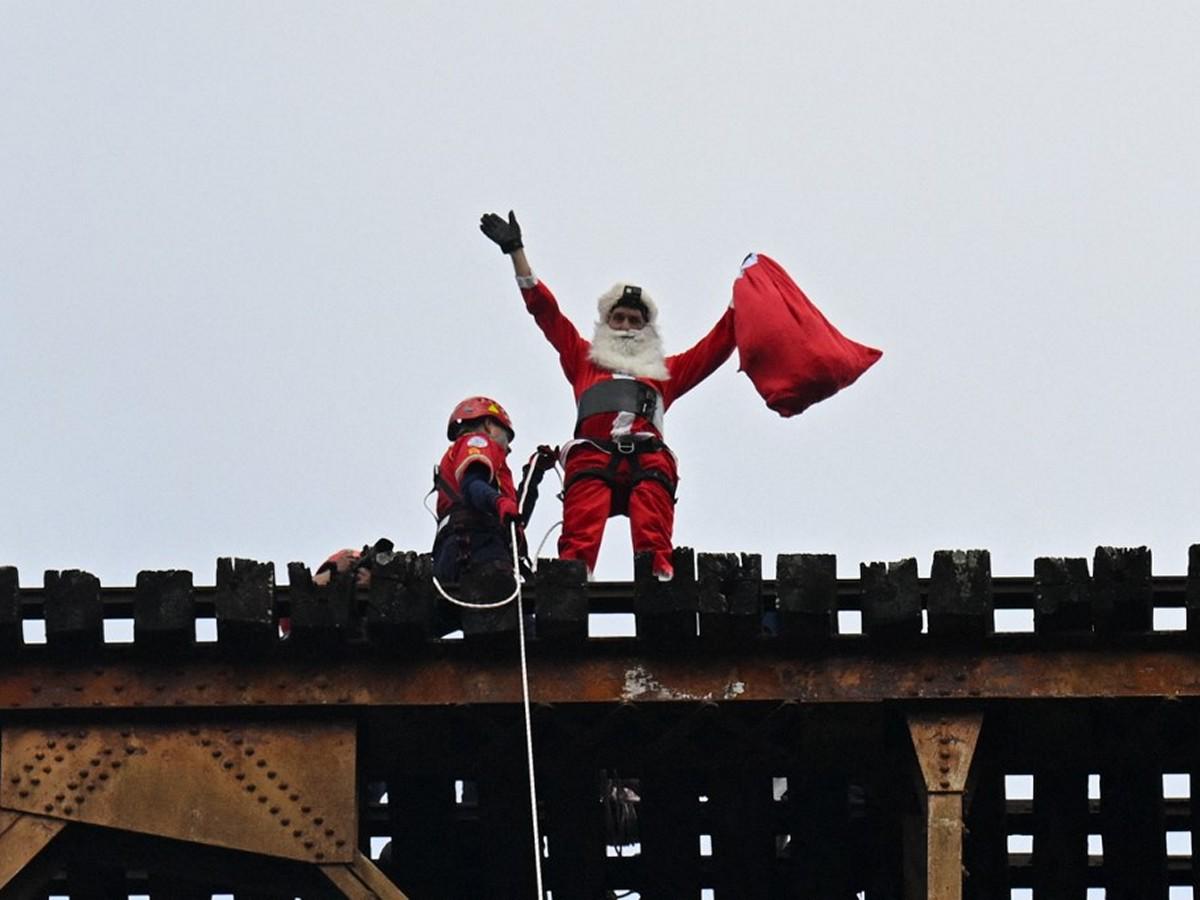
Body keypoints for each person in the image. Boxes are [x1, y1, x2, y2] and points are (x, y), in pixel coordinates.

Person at [479, 210, 735, 581]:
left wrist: (744, 298)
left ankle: (658, 576)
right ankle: (572, 578)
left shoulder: (666, 373)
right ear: (606, 323)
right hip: (592, 460)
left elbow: (718, 344)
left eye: (635, 321)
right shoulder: (583, 360)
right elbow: (546, 313)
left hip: (646, 461)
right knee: (581, 528)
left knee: (653, 516)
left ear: (647, 328)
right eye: (619, 319)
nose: (627, 328)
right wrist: (516, 251)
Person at [432, 396, 523, 583]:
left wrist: (535, 474)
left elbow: (513, 520)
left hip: (453, 550)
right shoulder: (477, 441)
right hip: (477, 544)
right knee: (498, 604)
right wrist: (499, 502)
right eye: (507, 437)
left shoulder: (455, 455)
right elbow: (472, 485)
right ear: (489, 425)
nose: (509, 448)